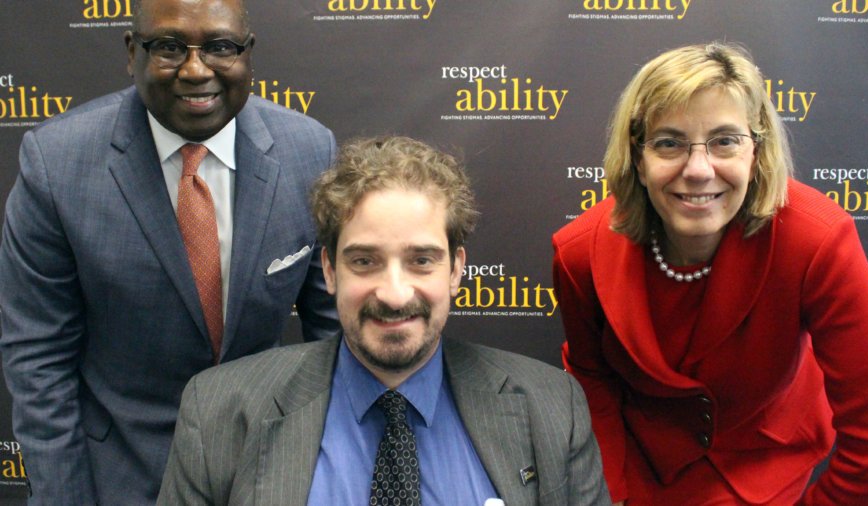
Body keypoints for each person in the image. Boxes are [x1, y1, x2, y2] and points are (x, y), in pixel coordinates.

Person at [0, 0, 339, 503]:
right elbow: (38, 361)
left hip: (271, 470)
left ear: (248, 54)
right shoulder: (57, 163)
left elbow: (334, 331)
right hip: (121, 472)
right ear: (132, 51)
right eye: (169, 47)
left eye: (221, 47)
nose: (196, 70)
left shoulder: (309, 151)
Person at [157, 136, 612, 505]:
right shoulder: (218, 412)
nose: (394, 294)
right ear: (330, 271)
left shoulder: (550, 409)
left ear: (455, 270)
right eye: (364, 262)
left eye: (421, 261)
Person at [552, 42, 868, 505]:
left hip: (768, 464)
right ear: (637, 157)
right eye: (669, 142)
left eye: (725, 141)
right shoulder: (579, 254)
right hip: (642, 474)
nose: (699, 170)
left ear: (757, 151)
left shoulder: (817, 240)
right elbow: (592, 384)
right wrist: (606, 495)